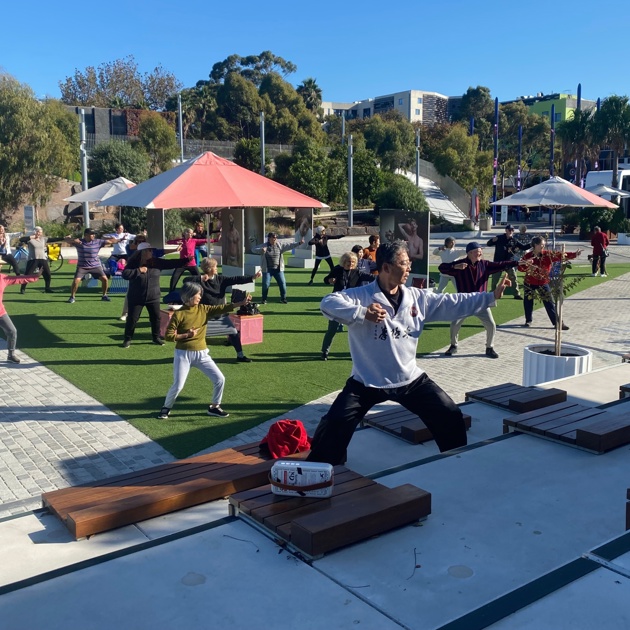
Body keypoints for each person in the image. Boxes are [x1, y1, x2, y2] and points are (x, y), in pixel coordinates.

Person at [306, 240, 511, 466]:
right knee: (333, 425)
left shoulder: (417, 297)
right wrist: (362, 313)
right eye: (404, 263)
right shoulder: (362, 296)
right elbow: (327, 303)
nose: (409, 268)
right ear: (385, 267)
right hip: (366, 382)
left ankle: (456, 464)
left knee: (450, 415)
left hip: (409, 380)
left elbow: (452, 301)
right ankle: (321, 475)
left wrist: (490, 297)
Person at [157, 282, 249, 420]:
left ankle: (214, 407)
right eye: (198, 294)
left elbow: (222, 308)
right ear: (189, 296)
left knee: (220, 379)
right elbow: (168, 336)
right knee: (178, 385)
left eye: (200, 294)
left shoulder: (204, 309)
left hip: (202, 354)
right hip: (183, 354)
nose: (200, 296)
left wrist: (240, 303)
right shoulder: (179, 314)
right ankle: (166, 408)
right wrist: (187, 335)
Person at [439, 242, 519, 359]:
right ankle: (453, 345)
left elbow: (500, 264)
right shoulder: (460, 264)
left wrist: (516, 262)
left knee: (491, 325)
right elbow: (441, 268)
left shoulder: (485, 264)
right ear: (470, 253)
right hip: (464, 302)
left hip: (481, 301)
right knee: (455, 324)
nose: (480, 253)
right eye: (477, 251)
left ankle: (489, 348)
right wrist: (454, 267)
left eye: (481, 251)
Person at [184, 257, 262, 362]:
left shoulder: (220, 279)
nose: (217, 268)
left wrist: (252, 277)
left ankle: (240, 355)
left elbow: (236, 279)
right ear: (210, 268)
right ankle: (190, 357)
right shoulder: (199, 280)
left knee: (233, 332)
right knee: (196, 337)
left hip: (221, 315)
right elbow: (185, 280)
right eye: (215, 266)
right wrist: (200, 278)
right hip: (204, 316)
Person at [120, 243, 193, 348]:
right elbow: (125, 274)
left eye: (151, 250)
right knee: (132, 319)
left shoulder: (156, 262)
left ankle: (156, 338)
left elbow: (171, 263)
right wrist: (139, 270)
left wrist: (186, 260)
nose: (151, 252)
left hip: (153, 296)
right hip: (136, 297)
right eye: (149, 250)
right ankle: (127, 339)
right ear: (143, 252)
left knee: (156, 318)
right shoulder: (133, 263)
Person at [518, 236, 582, 329]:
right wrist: (527, 265)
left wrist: (574, 254)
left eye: (544, 245)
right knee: (528, 301)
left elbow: (560, 255)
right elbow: (520, 268)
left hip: (543, 282)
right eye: (541, 245)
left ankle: (557, 323)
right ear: (535, 245)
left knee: (549, 302)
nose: (543, 247)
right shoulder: (528, 256)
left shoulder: (547, 254)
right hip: (529, 282)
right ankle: (528, 320)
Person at [320, 252, 374, 361]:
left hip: (351, 305)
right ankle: (324, 351)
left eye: (353, 262)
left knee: (356, 332)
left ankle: (357, 353)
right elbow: (326, 279)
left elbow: (373, 277)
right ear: (343, 262)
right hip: (337, 304)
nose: (351, 264)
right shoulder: (337, 270)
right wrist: (330, 280)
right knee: (332, 329)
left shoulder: (358, 273)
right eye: (349, 261)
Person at [65, 229, 118, 303]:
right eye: (91, 234)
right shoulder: (79, 242)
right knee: (76, 281)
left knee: (105, 279)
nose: (94, 235)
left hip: (95, 266)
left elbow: (111, 241)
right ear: (86, 235)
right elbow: (67, 240)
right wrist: (70, 238)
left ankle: (104, 295)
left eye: (94, 234)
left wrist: (120, 239)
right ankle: (72, 297)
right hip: (82, 266)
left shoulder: (98, 242)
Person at [251, 232, 304, 304]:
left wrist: (299, 243)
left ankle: (283, 298)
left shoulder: (280, 245)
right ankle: (264, 299)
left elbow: (289, 245)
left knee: (282, 283)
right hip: (267, 270)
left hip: (278, 270)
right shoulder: (264, 246)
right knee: (265, 284)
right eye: (273, 237)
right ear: (269, 238)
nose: (275, 239)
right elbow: (253, 249)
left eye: (276, 237)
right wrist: (261, 250)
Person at [0, 270, 40, 363]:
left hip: (1, 312)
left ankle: (11, 355)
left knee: (12, 331)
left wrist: (35, 276)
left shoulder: (2, 278)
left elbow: (18, 279)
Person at [487, 224, 522, 299]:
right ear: (506, 230)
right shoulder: (499, 238)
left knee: (513, 278)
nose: (511, 231)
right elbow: (488, 244)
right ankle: (493, 293)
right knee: (495, 279)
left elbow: (523, 247)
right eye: (509, 230)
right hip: (498, 263)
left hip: (509, 263)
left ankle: (516, 294)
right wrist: (492, 240)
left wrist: (533, 244)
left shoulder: (514, 240)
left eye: (512, 230)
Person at [20, 226, 58, 294]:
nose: (39, 233)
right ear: (34, 232)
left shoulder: (43, 239)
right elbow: (21, 239)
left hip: (42, 259)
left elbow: (53, 239)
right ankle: (22, 288)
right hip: (33, 259)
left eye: (40, 232)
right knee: (28, 274)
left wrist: (64, 238)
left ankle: (47, 288)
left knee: (48, 274)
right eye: (38, 232)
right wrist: (30, 237)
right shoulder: (30, 239)